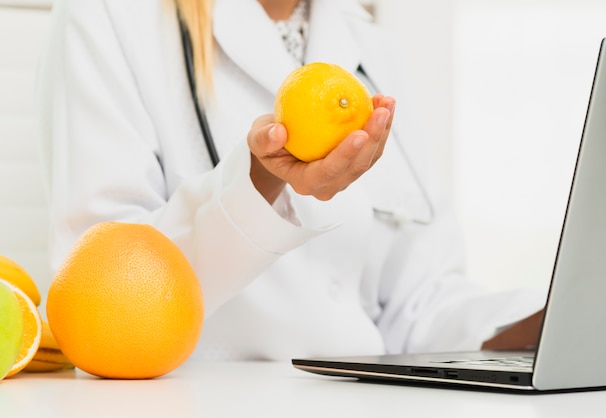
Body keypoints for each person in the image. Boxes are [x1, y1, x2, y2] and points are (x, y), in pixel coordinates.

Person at [37, 0, 545, 361]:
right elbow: (99, 292)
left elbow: (416, 305)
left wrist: (542, 325)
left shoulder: (371, 47)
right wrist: (258, 182)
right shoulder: (105, 14)